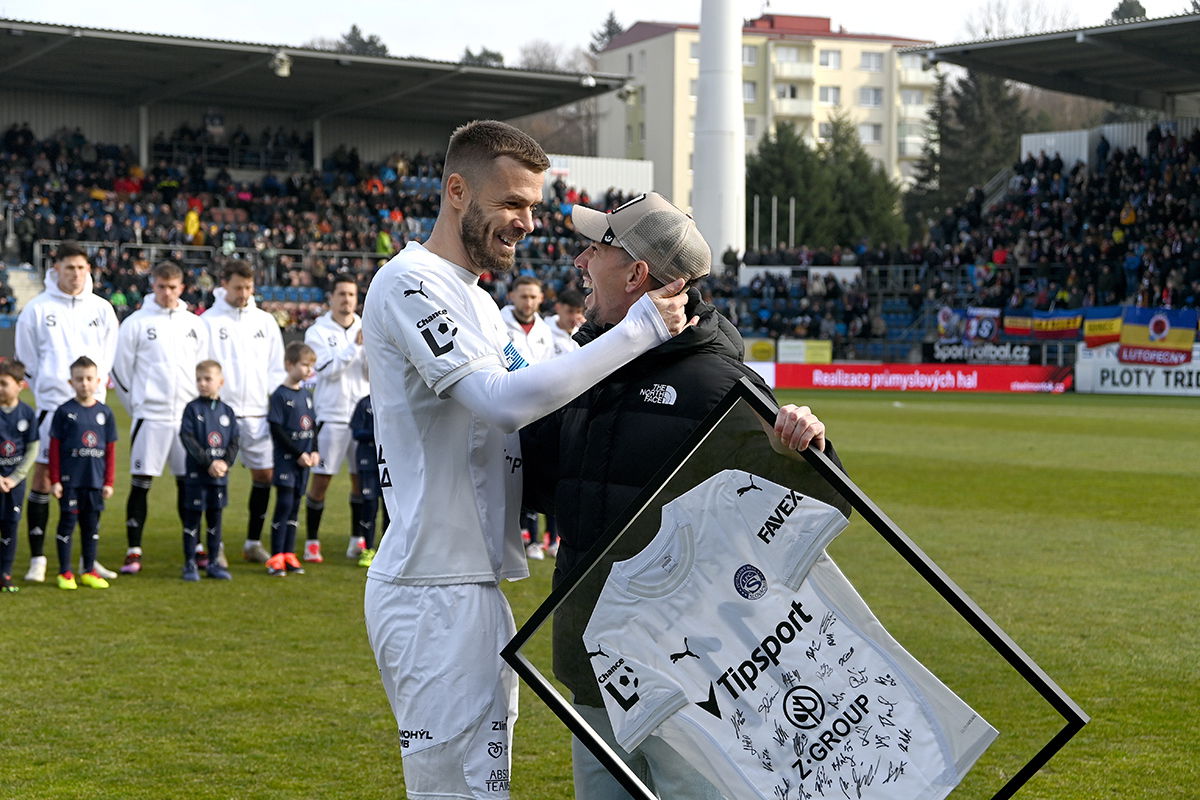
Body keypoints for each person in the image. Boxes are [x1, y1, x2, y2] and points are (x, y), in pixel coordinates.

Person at [361, 119, 690, 800]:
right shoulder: (409, 283)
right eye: (513, 203)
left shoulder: (479, 302)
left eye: (534, 206)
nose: (529, 222)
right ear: (457, 191)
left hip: (472, 590)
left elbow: (560, 394)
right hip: (428, 592)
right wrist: (637, 330)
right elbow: (504, 402)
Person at [520, 191, 828, 800]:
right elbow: (537, 485)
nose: (580, 261)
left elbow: (811, 519)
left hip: (692, 680)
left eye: (595, 248)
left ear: (637, 273)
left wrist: (807, 451)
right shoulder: (587, 366)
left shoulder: (722, 384)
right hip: (593, 667)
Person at [14, 242, 119, 583]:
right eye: (68, 267)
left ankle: (89, 560)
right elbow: (27, 360)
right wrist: (52, 388)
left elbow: (108, 357)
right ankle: (39, 558)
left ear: (89, 269)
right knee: (44, 479)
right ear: (55, 268)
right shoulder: (37, 309)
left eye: (81, 267)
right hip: (53, 409)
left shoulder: (102, 309)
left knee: (90, 484)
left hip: (92, 412)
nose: (75, 274)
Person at [110, 260, 209, 574]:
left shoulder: (195, 324)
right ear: (153, 285)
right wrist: (138, 406)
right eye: (161, 286)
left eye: (173, 287)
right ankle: (134, 549)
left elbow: (206, 367)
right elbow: (120, 371)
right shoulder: (136, 323)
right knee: (141, 484)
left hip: (186, 420)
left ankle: (194, 545)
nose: (167, 293)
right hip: (150, 417)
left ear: (182, 288)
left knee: (189, 485)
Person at [202, 261, 285, 563]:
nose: (244, 293)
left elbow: (276, 368)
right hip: (220, 414)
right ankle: (215, 546)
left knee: (265, 475)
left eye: (249, 287)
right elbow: (201, 369)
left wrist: (274, 404)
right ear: (224, 284)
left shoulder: (265, 322)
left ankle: (252, 542)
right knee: (216, 479)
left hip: (258, 414)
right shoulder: (208, 322)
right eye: (238, 287)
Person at [302, 274, 369, 564]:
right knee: (322, 480)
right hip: (331, 415)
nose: (346, 300)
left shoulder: (367, 326)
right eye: (341, 294)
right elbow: (326, 369)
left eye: (351, 295)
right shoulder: (317, 332)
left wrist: (367, 354)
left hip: (363, 418)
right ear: (331, 297)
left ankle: (357, 540)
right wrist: (355, 347)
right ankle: (312, 541)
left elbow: (371, 373)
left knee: (361, 480)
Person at [48, 357, 118, 591]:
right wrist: (55, 480)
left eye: (89, 379)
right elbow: (55, 449)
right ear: (71, 382)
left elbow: (110, 451)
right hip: (70, 481)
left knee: (91, 527)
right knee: (67, 523)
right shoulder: (64, 411)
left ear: (98, 381)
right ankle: (65, 572)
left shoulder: (105, 413)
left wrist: (108, 481)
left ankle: (88, 570)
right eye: (79, 379)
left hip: (95, 482)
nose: (85, 384)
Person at [499, 275, 555, 559]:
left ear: (541, 299)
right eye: (523, 296)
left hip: (535, 415)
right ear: (511, 296)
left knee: (528, 478)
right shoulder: (496, 324)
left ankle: (531, 539)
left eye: (533, 297)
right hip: (504, 412)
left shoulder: (546, 330)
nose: (528, 302)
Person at [178, 360, 240, 581]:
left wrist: (225, 463)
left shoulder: (227, 412)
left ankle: (213, 563)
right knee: (192, 519)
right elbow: (188, 439)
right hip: (197, 476)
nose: (202, 384)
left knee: (215, 519)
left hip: (219, 478)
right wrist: (208, 462)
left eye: (207, 379)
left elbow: (234, 440)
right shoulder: (192, 409)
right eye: (199, 379)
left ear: (220, 382)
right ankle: (189, 564)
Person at [264, 342, 318, 577]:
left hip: (304, 462)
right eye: (304, 365)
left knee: (296, 506)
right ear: (289, 364)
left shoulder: (306, 395)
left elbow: (312, 427)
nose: (308, 370)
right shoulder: (279, 395)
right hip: (287, 461)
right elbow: (277, 429)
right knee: (284, 505)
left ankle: (289, 554)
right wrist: (298, 453)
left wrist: (314, 450)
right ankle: (275, 556)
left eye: (311, 366)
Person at [0, 359, 39, 593]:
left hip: (14, 483)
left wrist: (15, 477)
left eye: (4, 384)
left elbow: (32, 447)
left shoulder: (27, 413)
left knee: (11, 526)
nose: (0, 389)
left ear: (20, 386)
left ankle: (5, 574)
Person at [349, 393, 383, 568]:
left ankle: (387, 550)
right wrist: (377, 431)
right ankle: (368, 549)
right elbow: (356, 432)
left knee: (390, 507)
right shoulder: (364, 403)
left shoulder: (394, 398)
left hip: (390, 461)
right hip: (367, 461)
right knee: (369, 505)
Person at [544, 288, 585, 357]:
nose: (574, 317)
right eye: (570, 311)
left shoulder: (584, 332)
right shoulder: (543, 331)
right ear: (558, 308)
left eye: (578, 312)